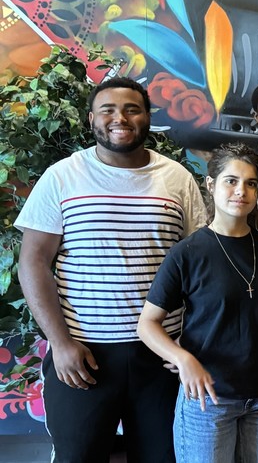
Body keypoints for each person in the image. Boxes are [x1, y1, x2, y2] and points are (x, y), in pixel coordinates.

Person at [15, 76, 207, 462]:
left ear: (148, 118)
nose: (120, 117)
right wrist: (60, 342)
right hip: (84, 354)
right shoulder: (62, 176)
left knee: (163, 456)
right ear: (91, 120)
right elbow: (33, 262)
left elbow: (199, 266)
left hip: (161, 355)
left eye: (132, 109)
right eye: (108, 109)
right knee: (79, 456)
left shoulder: (177, 178)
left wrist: (190, 342)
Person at [138, 143, 258, 462]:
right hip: (208, 400)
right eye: (231, 181)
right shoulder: (187, 253)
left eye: (250, 183)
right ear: (211, 184)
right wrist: (184, 359)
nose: (240, 191)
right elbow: (147, 324)